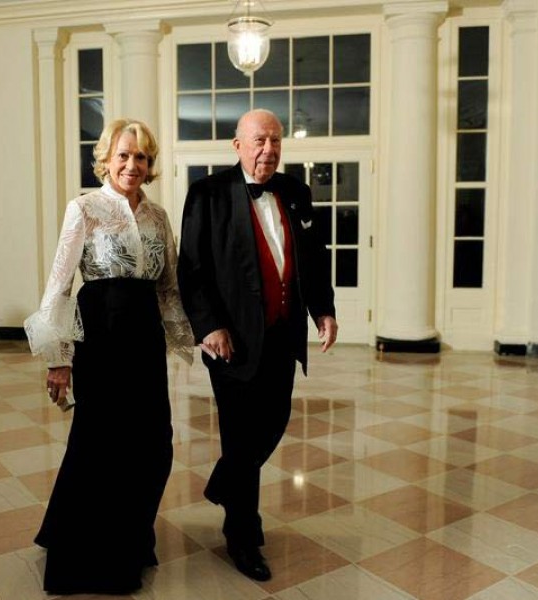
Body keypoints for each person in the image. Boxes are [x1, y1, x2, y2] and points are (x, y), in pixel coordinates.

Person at [24, 118, 193, 595]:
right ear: (106, 159)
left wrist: (194, 336)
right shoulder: (85, 209)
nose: (132, 165)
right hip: (99, 335)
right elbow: (59, 285)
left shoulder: (158, 216)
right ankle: (91, 556)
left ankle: (132, 532)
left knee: (154, 443)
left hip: (144, 339)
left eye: (141, 157)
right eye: (123, 155)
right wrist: (58, 357)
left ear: (150, 163)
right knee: (101, 445)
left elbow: (169, 285)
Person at [176, 108, 338, 582]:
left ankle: (224, 482)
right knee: (242, 436)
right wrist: (208, 327)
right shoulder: (206, 195)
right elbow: (193, 271)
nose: (268, 149)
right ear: (237, 145)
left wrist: (322, 310)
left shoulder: (296, 192)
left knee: (274, 421)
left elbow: (313, 258)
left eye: (275, 141)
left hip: (282, 336)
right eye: (259, 141)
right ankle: (242, 535)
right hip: (231, 342)